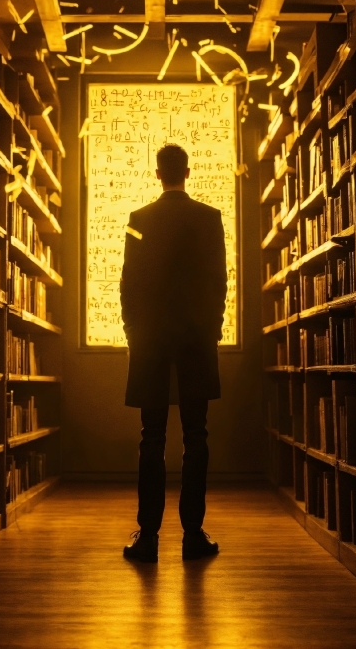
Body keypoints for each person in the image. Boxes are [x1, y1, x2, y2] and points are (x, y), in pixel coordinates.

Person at [120, 143, 227, 562]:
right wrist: (212, 329)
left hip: (150, 341)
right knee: (196, 436)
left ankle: (148, 536)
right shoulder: (210, 218)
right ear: (188, 171)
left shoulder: (137, 220)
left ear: (157, 174)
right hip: (197, 340)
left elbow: (129, 282)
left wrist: (133, 331)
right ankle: (193, 534)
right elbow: (218, 281)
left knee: (151, 437)